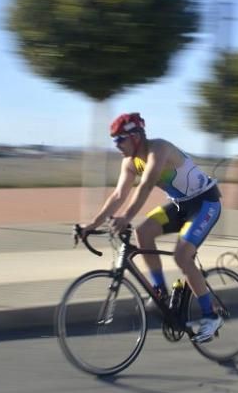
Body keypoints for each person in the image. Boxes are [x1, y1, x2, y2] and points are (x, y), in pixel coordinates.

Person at [82, 112, 224, 343]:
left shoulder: (159, 149)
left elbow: (146, 185)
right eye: (114, 140)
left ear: (136, 136)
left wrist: (126, 216)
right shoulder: (129, 162)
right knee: (143, 232)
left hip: (205, 203)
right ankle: (160, 291)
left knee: (182, 256)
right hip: (181, 206)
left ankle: (211, 315)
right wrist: (92, 224)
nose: (117, 145)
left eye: (120, 139)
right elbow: (118, 195)